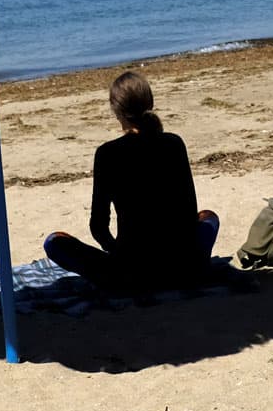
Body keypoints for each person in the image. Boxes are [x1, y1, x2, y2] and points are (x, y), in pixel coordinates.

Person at [43, 70, 220, 293]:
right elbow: (189, 211)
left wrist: (116, 252)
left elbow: (98, 227)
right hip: (182, 267)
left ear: (115, 109)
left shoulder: (107, 154)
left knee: (54, 242)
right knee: (209, 217)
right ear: (150, 103)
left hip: (132, 275)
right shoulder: (174, 143)